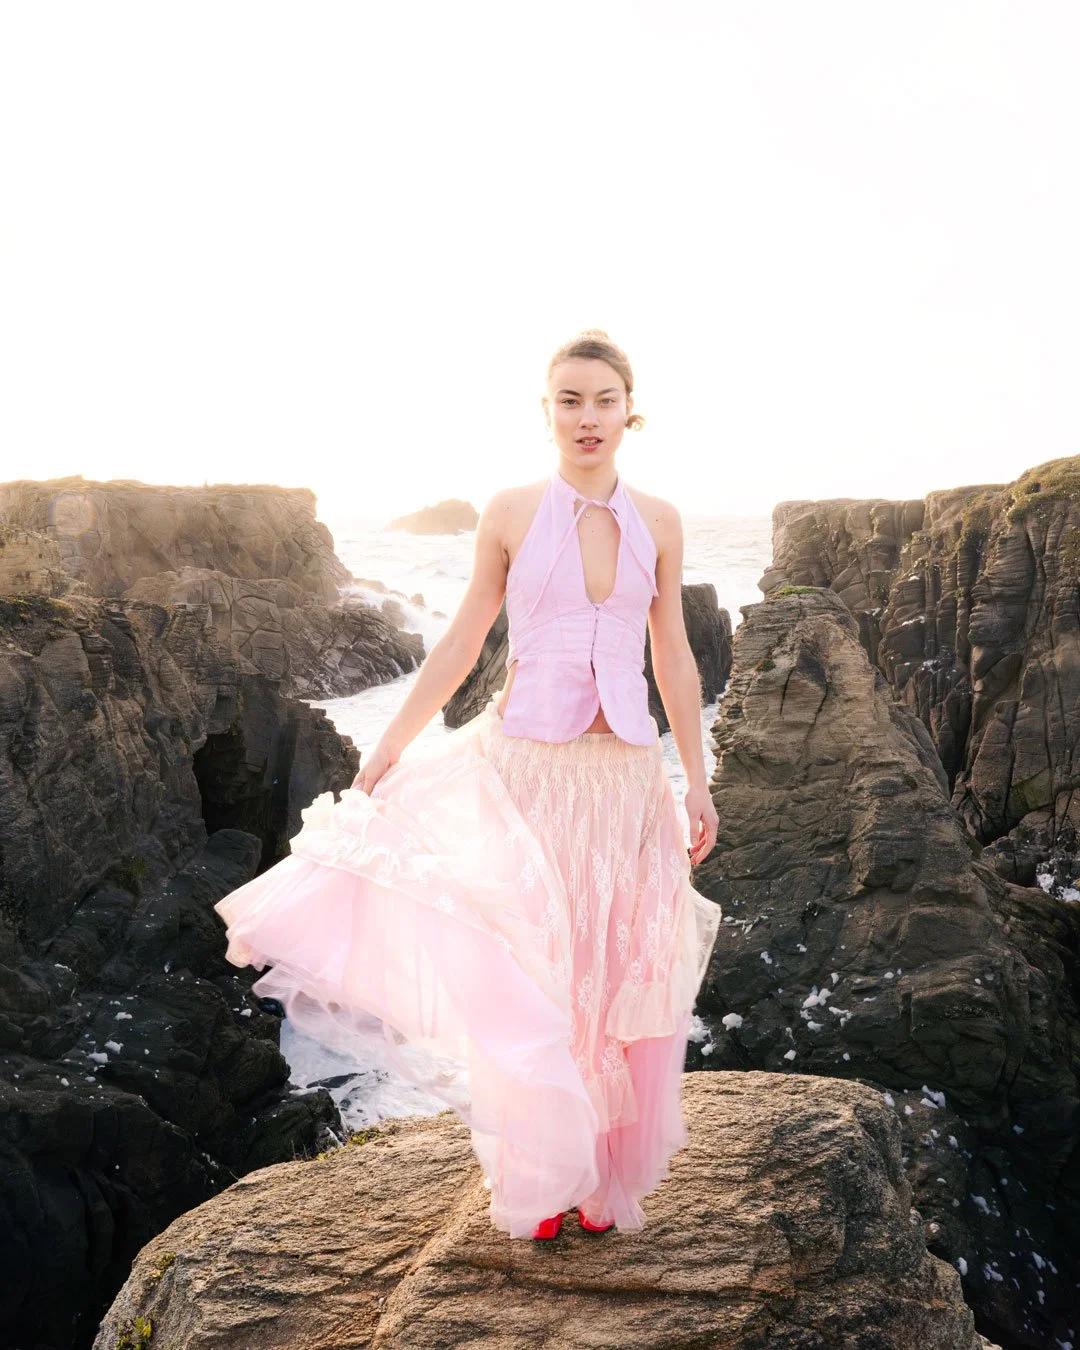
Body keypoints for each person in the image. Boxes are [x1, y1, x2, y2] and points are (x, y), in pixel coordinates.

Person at [214, 328, 723, 1242]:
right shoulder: (511, 512)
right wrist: (389, 749)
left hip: (626, 781)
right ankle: (541, 1180)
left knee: (612, 973)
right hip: (528, 770)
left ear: (629, 410)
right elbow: (459, 643)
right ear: (548, 412)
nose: (588, 418)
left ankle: (600, 1180)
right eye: (569, 401)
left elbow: (674, 656)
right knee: (539, 975)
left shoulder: (665, 520)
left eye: (604, 400)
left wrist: (697, 779)